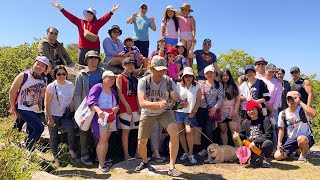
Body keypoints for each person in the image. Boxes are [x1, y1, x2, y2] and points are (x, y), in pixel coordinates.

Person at [135, 55, 187, 177]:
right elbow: (142, 103)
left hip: (164, 111)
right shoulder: (143, 81)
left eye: (163, 69)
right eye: (159, 69)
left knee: (174, 133)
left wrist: (180, 101)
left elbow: (175, 98)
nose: (162, 72)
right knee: (141, 142)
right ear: (152, 68)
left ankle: (172, 166)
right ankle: (145, 161)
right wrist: (158, 104)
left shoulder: (169, 81)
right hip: (148, 112)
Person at [51, 2, 120, 65]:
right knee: (81, 65)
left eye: (91, 13)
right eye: (88, 13)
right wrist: (60, 8)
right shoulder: (80, 22)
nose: (89, 15)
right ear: (85, 15)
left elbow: (105, 18)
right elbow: (70, 16)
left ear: (94, 16)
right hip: (83, 47)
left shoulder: (97, 23)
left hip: (94, 47)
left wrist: (112, 10)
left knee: (94, 65)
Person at [9, 56, 49, 152]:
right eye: (38, 64)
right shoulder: (23, 75)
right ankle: (29, 150)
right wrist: (13, 107)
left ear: (45, 69)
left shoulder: (44, 79)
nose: (39, 66)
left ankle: (26, 151)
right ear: (33, 64)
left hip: (37, 109)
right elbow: (12, 91)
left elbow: (43, 94)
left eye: (43, 66)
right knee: (39, 128)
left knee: (31, 131)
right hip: (23, 107)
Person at [73, 50, 105, 165]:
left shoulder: (103, 72)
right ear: (86, 60)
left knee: (99, 130)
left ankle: (99, 155)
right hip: (85, 106)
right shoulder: (81, 74)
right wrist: (78, 110)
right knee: (84, 131)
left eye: (96, 58)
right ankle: (84, 154)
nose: (94, 59)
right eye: (91, 58)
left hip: (100, 106)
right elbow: (77, 92)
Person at [87, 71, 119, 172]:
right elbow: (91, 102)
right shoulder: (97, 87)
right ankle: (101, 164)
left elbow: (116, 104)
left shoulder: (112, 90)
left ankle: (103, 160)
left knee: (106, 140)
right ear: (104, 78)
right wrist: (99, 110)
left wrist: (116, 108)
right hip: (101, 119)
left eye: (113, 79)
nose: (112, 80)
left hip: (111, 118)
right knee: (102, 140)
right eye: (110, 78)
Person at [45, 65, 76, 166]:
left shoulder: (71, 85)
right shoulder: (51, 86)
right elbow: (47, 103)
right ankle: (56, 157)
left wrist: (72, 104)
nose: (61, 76)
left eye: (63, 74)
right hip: (53, 114)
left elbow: (73, 97)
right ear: (55, 75)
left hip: (65, 115)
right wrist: (50, 118)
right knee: (53, 136)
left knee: (71, 130)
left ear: (66, 75)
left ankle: (71, 150)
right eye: (59, 74)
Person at [274, 91, 317, 162]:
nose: (291, 101)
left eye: (293, 98)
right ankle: (296, 150)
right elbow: (281, 129)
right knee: (277, 156)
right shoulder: (283, 113)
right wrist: (279, 142)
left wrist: (300, 102)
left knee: (301, 139)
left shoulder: (303, 110)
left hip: (305, 138)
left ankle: (303, 155)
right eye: (289, 98)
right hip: (291, 139)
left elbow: (314, 114)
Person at [233, 101, 274, 168]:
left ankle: (266, 159)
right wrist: (237, 136)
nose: (251, 111)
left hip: (261, 144)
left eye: (253, 109)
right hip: (250, 146)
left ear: (257, 109)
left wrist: (255, 142)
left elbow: (268, 134)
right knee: (242, 142)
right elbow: (242, 135)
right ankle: (252, 157)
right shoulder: (245, 122)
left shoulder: (265, 119)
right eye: (248, 110)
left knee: (268, 143)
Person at [116, 57, 140, 161]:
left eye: (132, 64)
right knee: (126, 131)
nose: (130, 66)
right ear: (123, 65)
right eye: (128, 64)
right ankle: (126, 155)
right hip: (125, 108)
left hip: (135, 107)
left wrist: (139, 107)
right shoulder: (120, 77)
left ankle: (137, 153)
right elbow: (119, 92)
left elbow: (137, 95)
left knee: (139, 130)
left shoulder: (135, 78)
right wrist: (126, 105)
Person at [176, 67, 201, 164]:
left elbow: (199, 101)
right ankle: (186, 152)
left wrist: (193, 112)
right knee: (181, 133)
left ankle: (191, 153)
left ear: (193, 77)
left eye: (190, 76)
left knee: (189, 131)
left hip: (190, 113)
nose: (188, 78)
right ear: (183, 77)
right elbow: (175, 100)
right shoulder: (178, 86)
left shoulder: (197, 86)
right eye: (186, 76)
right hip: (179, 112)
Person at [197, 65, 223, 156]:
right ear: (205, 75)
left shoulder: (219, 85)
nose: (209, 74)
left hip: (213, 110)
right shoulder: (201, 84)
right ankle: (205, 148)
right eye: (207, 73)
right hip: (202, 109)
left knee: (210, 130)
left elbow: (220, 98)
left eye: (211, 72)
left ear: (214, 73)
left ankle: (208, 148)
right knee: (203, 129)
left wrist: (215, 107)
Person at [219, 68, 240, 146]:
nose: (225, 77)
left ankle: (238, 149)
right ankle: (225, 149)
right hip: (221, 112)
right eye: (223, 76)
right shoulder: (218, 86)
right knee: (223, 131)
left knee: (234, 131)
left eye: (227, 75)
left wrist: (235, 110)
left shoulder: (234, 86)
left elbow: (237, 100)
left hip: (232, 111)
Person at [263, 64, 282, 145]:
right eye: (269, 71)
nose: (270, 73)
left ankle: (274, 146)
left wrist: (272, 109)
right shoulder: (260, 80)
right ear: (265, 70)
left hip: (273, 108)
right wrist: (264, 104)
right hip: (262, 106)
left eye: (273, 72)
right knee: (262, 126)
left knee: (274, 127)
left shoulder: (278, 83)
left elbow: (278, 98)